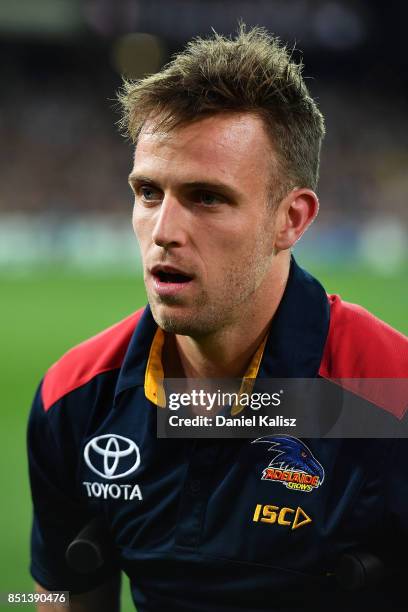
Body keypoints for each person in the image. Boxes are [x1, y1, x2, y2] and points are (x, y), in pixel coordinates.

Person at [27, 26, 408, 612]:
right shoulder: (73, 397)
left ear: (292, 219)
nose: (164, 231)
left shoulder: (393, 394)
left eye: (207, 197)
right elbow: (59, 599)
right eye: (148, 192)